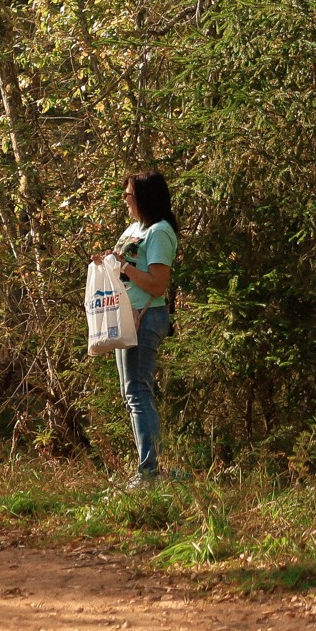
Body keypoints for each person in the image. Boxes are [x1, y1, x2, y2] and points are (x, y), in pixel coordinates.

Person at [98, 168, 178, 486]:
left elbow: (158, 284)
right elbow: (124, 266)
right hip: (126, 318)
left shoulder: (159, 232)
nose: (125, 199)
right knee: (131, 393)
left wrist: (125, 267)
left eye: (129, 194)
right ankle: (148, 469)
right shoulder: (136, 228)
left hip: (146, 317)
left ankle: (149, 473)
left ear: (145, 197)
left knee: (138, 392)